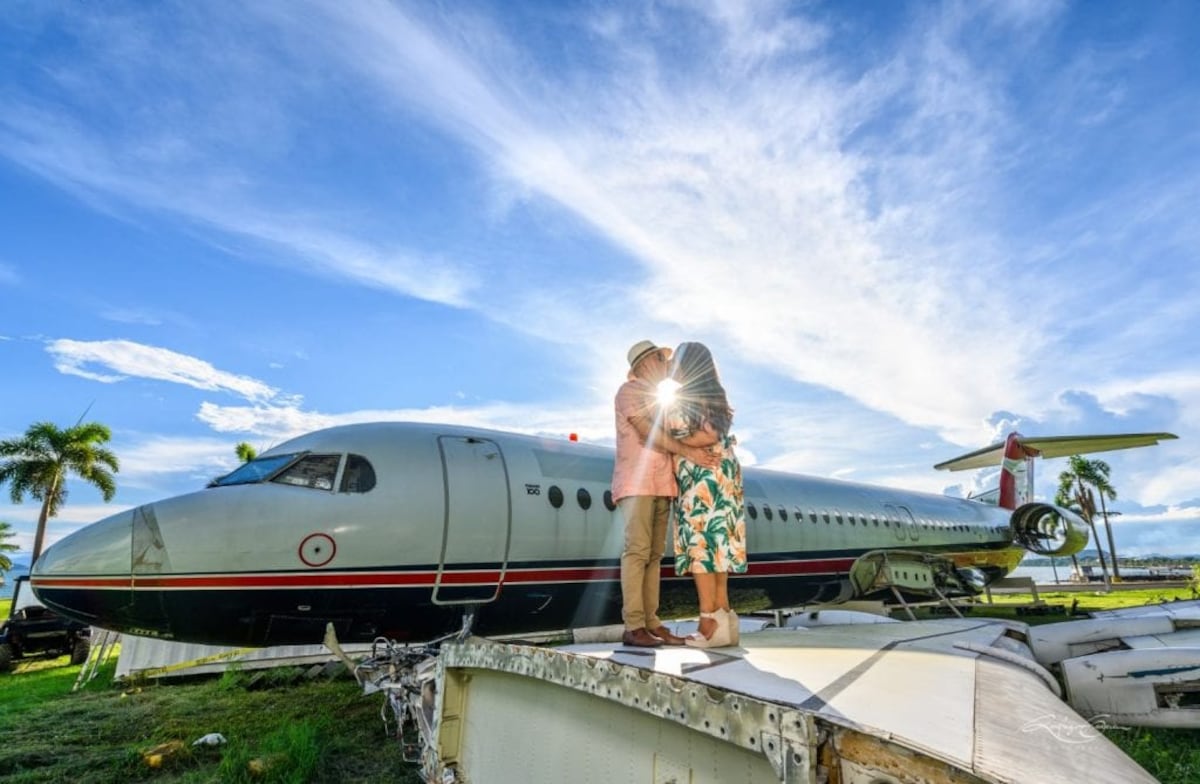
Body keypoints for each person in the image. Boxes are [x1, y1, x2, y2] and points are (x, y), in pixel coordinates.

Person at [612, 340, 720, 648]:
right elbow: (648, 432)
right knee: (637, 552)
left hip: (662, 484)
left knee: (655, 556)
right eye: (661, 358)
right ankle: (633, 626)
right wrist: (691, 452)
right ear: (646, 363)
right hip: (637, 482)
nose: (665, 363)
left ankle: (651, 623)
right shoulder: (628, 392)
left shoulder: (659, 400)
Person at [663, 342, 747, 648]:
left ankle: (708, 621)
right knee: (717, 548)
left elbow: (710, 431)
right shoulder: (712, 393)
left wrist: (675, 441)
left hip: (704, 479)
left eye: (676, 363)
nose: (671, 368)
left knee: (701, 548)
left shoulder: (691, 396)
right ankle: (724, 617)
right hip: (718, 476)